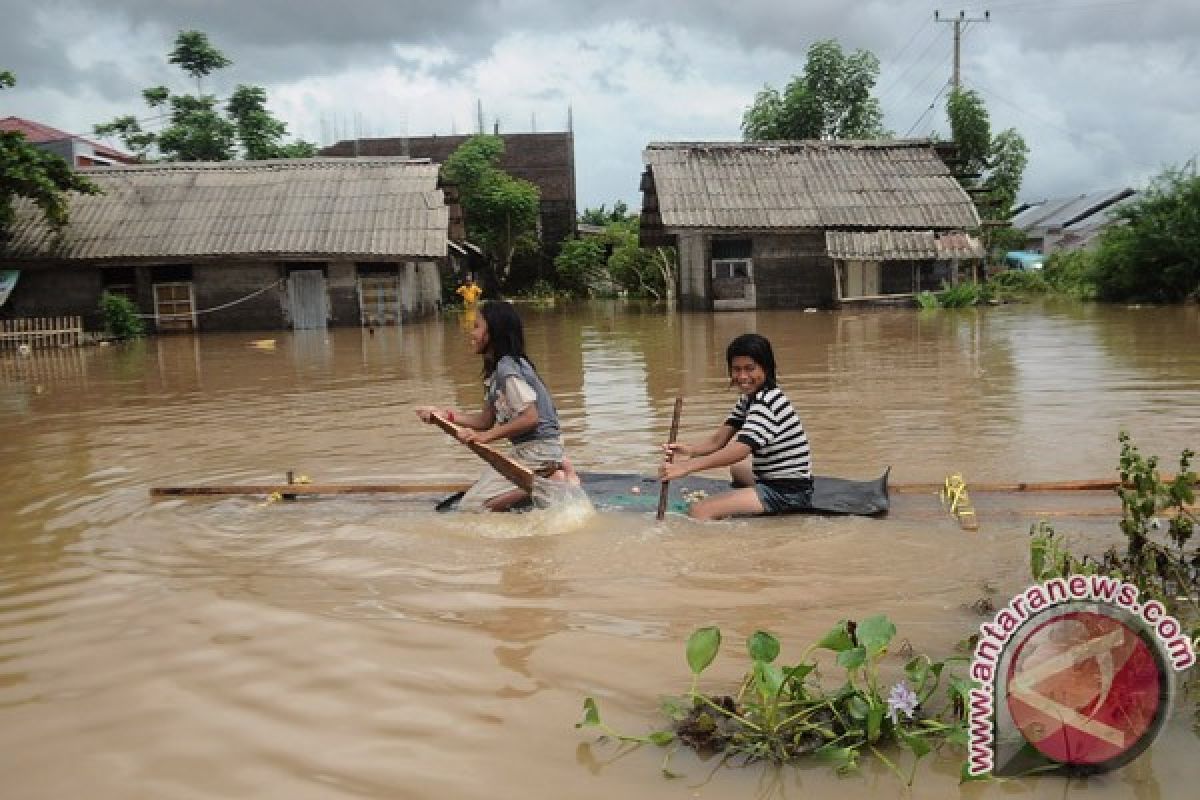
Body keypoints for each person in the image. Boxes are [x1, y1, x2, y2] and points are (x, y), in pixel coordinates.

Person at [416, 300, 577, 511]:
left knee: (472, 507)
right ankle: (552, 473)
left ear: (493, 332)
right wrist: (444, 416)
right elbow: (484, 421)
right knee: (477, 502)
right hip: (536, 449)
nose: (471, 333)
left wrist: (485, 438)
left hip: (538, 450)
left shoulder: (507, 369)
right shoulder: (498, 372)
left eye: (476, 327)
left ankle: (547, 483)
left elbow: (530, 418)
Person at [659, 333, 812, 521]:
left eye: (750, 369)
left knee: (699, 511)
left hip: (787, 492)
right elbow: (718, 440)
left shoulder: (767, 403)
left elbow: (740, 450)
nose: (742, 377)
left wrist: (687, 468)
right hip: (773, 478)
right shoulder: (749, 398)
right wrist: (691, 450)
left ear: (766, 367)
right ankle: (749, 498)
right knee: (738, 469)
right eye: (736, 369)